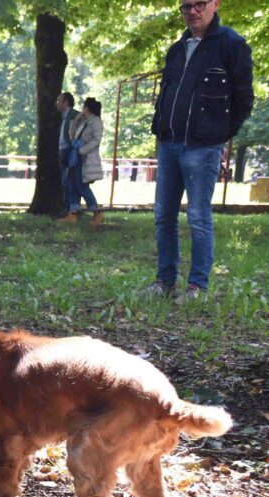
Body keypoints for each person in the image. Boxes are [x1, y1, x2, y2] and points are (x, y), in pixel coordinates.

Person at [143, 0, 254, 303]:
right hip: (169, 145)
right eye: (185, 6)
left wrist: (219, 134)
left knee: (198, 217)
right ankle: (165, 282)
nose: (192, 11)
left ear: (216, 4)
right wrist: (160, 128)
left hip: (202, 148)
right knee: (163, 216)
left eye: (199, 4)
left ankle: (197, 288)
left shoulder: (232, 45)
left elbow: (244, 98)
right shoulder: (178, 48)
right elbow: (166, 94)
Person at [61, 98, 105, 226]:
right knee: (72, 184)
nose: (82, 109)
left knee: (82, 186)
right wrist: (76, 120)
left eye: (83, 107)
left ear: (87, 108)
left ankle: (97, 212)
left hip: (85, 158)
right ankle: (73, 213)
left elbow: (96, 140)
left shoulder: (96, 122)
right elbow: (72, 135)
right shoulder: (83, 120)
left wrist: (81, 150)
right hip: (76, 157)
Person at [56, 92, 80, 216]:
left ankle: (72, 209)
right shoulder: (61, 117)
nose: (57, 103)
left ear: (66, 102)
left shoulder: (75, 115)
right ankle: (68, 208)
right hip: (62, 151)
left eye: (59, 101)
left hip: (70, 151)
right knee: (64, 181)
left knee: (70, 181)